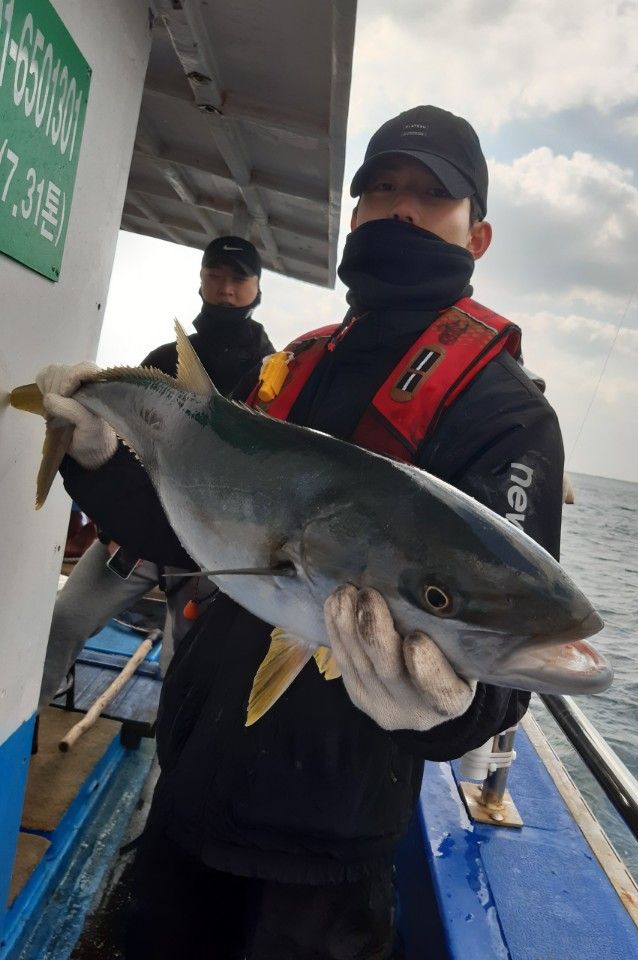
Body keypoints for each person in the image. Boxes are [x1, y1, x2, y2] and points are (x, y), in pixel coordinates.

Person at [37, 106, 564, 959]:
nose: (401, 209)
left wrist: (446, 714)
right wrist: (95, 461)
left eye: (432, 196)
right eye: (381, 188)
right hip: (191, 789)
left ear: (479, 234)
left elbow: (503, 664)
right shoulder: (296, 366)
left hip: (324, 855)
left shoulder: (506, 412)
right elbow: (192, 537)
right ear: (353, 216)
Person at [39, 236, 274, 707]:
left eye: (238, 278)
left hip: (212, 553)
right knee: (64, 621)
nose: (226, 288)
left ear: (257, 288)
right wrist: (112, 525)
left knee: (184, 663)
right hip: (135, 536)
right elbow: (126, 446)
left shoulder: (273, 372)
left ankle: (167, 750)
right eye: (215, 275)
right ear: (201, 281)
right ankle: (23, 712)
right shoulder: (166, 360)